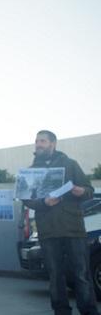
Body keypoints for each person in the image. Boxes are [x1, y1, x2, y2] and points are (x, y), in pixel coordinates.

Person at [23, 130, 99, 315]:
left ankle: (89, 310)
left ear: (53, 143)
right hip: (48, 229)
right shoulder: (32, 171)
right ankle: (61, 311)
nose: (38, 144)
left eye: (42, 141)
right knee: (55, 275)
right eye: (36, 141)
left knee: (81, 274)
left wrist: (82, 191)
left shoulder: (70, 164)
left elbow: (89, 189)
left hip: (74, 228)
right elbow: (26, 198)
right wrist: (43, 203)